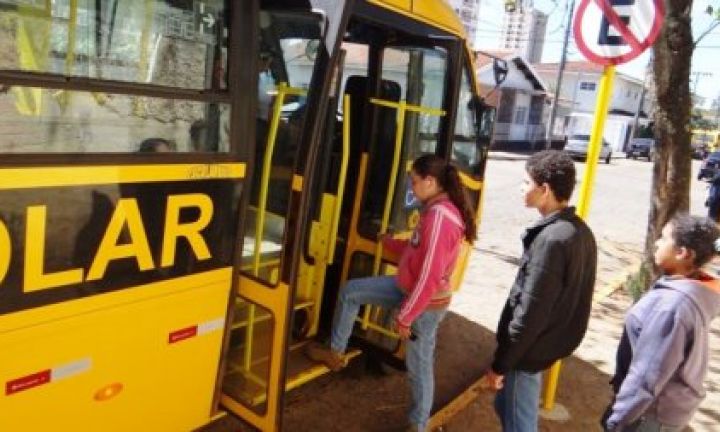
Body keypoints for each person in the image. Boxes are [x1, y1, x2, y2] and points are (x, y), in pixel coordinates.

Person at [306, 154, 477, 432]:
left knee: (419, 366)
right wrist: (388, 243)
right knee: (351, 292)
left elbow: (429, 276)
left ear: (431, 181)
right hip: (407, 289)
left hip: (425, 304)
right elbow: (415, 250)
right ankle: (335, 352)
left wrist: (406, 316)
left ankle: (418, 425)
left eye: (414, 181)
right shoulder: (434, 209)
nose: (411, 188)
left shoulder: (441, 219)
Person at [483, 150, 597, 432]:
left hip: (528, 353)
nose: (521, 188)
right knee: (505, 406)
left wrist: (501, 363)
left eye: (525, 182)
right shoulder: (579, 231)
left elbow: (531, 311)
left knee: (519, 423)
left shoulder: (552, 240)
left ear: (544, 190)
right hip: (543, 347)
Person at [603, 215, 720, 432]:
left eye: (664, 238)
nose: (656, 243)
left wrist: (617, 419)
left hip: (648, 416)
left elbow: (648, 375)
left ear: (683, 253)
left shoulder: (671, 306)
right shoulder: (690, 289)